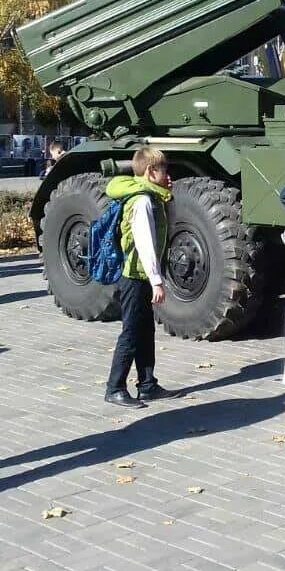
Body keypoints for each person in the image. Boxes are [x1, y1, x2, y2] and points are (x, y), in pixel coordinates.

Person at [103, 148, 177, 409]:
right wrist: (156, 280)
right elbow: (145, 242)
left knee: (145, 329)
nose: (167, 173)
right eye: (163, 168)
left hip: (141, 274)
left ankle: (147, 385)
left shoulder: (152, 197)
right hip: (135, 275)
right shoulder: (143, 201)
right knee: (132, 330)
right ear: (150, 172)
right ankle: (115, 387)